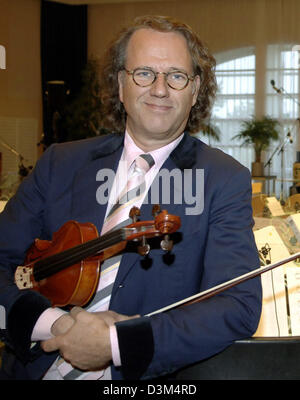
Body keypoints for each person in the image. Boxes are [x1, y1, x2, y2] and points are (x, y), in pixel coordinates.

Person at [0, 15, 262, 380]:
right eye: (144, 73)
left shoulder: (223, 179)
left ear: (195, 89)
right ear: (121, 84)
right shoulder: (59, 163)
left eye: (176, 76)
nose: (159, 88)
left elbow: (237, 306)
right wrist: (55, 325)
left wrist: (116, 343)